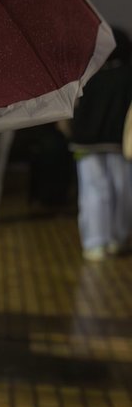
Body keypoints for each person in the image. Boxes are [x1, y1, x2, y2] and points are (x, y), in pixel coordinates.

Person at [67, 26, 132, 261]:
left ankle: (95, 244)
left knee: (92, 192)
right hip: (118, 143)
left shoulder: (88, 75)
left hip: (85, 143)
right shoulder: (127, 75)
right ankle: (117, 238)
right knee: (122, 191)